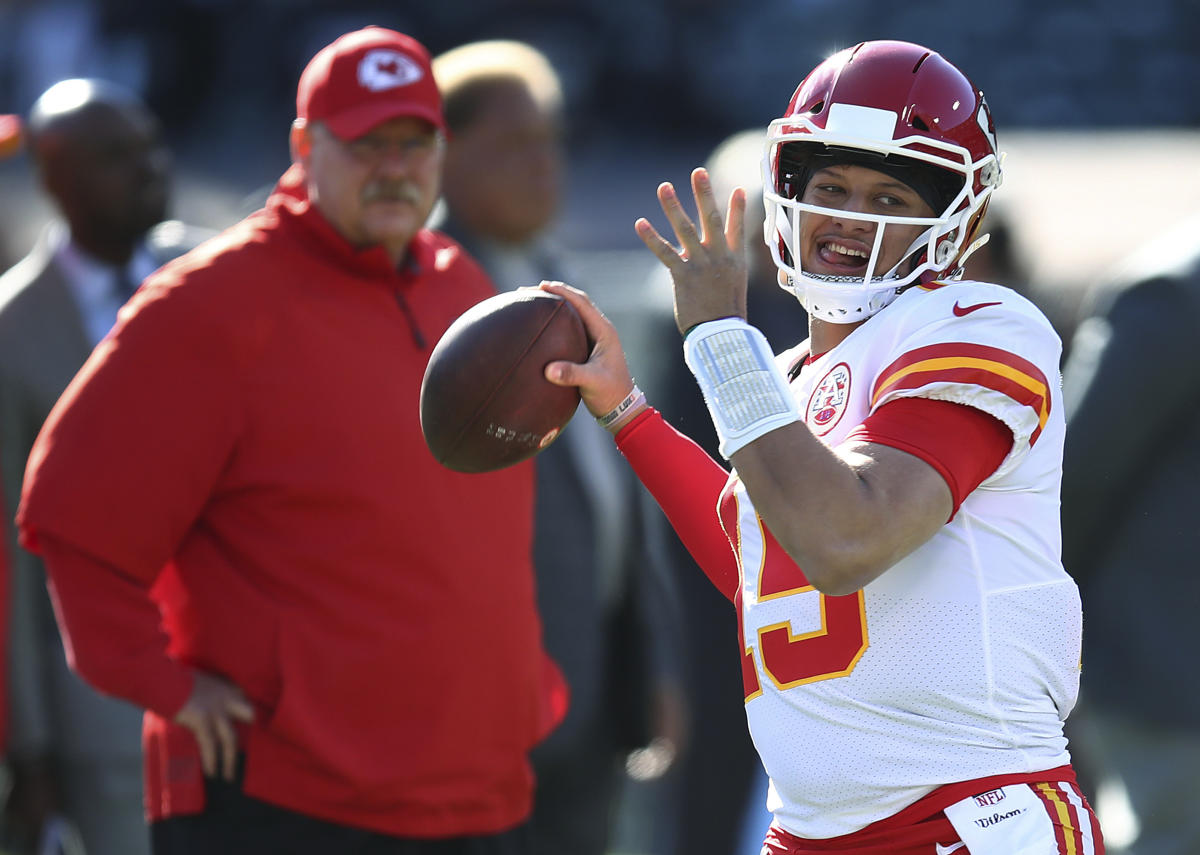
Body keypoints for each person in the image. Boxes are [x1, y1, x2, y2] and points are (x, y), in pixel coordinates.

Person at [539, 39, 1105, 854]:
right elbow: (763, 558)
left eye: (889, 195)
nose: (848, 216)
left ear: (959, 216)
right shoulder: (786, 376)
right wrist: (629, 413)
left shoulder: (981, 324)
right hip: (810, 828)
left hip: (968, 814)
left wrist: (720, 339)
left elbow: (846, 540)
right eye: (831, 186)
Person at [15, 26, 565, 855]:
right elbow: (71, 518)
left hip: (476, 794)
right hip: (292, 803)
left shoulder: (465, 282)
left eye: (414, 143)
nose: (394, 167)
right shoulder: (209, 304)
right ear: (306, 147)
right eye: (365, 143)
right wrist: (159, 681)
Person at [431, 40, 685, 855]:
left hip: (594, 681)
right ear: (444, 152)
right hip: (479, 707)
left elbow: (614, 489)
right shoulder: (423, 296)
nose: (541, 167)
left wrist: (652, 662)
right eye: (513, 145)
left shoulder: (553, 282)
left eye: (549, 142)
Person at [0, 77, 208, 855]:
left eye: (152, 146)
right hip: (107, 719)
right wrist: (30, 747)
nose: (151, 168)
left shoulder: (213, 271)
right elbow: (13, 564)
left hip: (254, 690)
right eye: (117, 156)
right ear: (57, 178)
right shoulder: (14, 332)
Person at [1059, 210, 1200, 855]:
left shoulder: (1169, 290)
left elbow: (1067, 484)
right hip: (1167, 684)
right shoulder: (1171, 292)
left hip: (1166, 675)